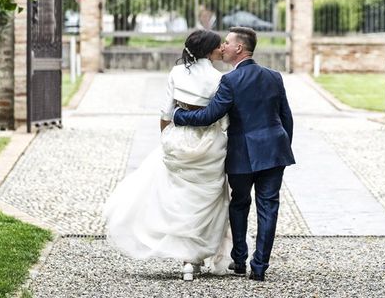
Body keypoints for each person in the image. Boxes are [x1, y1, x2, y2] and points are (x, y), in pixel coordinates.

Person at [103, 29, 232, 281]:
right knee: (206, 200)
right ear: (209, 50)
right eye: (219, 46)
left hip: (179, 137)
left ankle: (186, 260)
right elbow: (223, 119)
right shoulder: (220, 78)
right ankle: (192, 258)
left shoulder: (176, 73)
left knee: (178, 198)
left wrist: (167, 139)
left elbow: (165, 112)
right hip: (209, 143)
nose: (222, 49)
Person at [173, 26, 294, 282]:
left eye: (227, 42)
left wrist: (178, 115)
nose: (222, 46)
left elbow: (209, 116)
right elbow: (286, 117)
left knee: (239, 204)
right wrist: (283, 147)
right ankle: (259, 267)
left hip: (242, 153)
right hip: (275, 150)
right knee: (268, 207)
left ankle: (239, 260)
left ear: (239, 48)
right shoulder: (274, 76)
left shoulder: (230, 80)